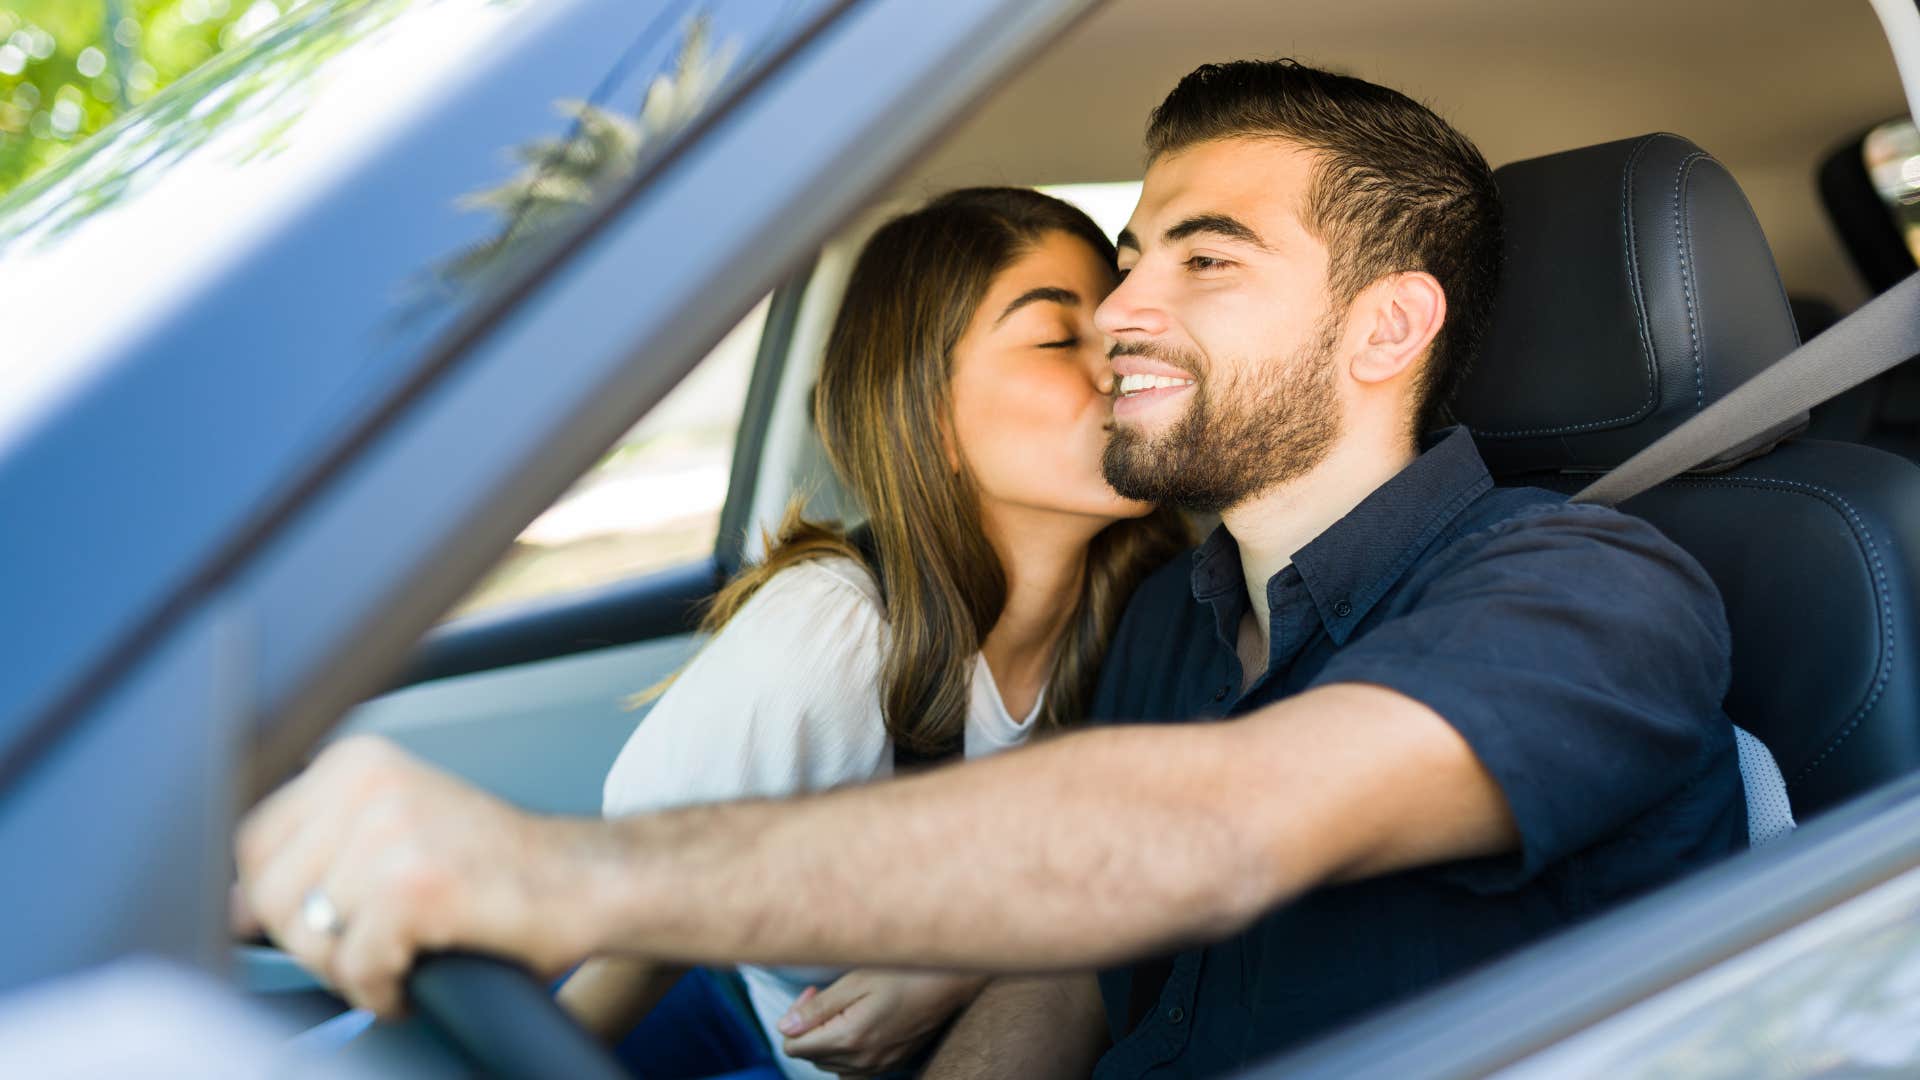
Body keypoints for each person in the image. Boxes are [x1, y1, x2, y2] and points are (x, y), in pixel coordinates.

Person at [233, 60, 1747, 1079]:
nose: (1124, 310)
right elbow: (1083, 973)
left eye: (1203, 260)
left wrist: (561, 875)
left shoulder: (1589, 595)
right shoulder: (1171, 609)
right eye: (1130, 252)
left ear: (1385, 329)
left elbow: (1215, 835)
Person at [555, 186, 1189, 1079]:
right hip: (735, 1024)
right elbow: (642, 922)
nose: (1122, 361)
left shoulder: (1165, 608)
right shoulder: (829, 638)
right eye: (1056, 338)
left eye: (1120, 325)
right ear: (932, 421)